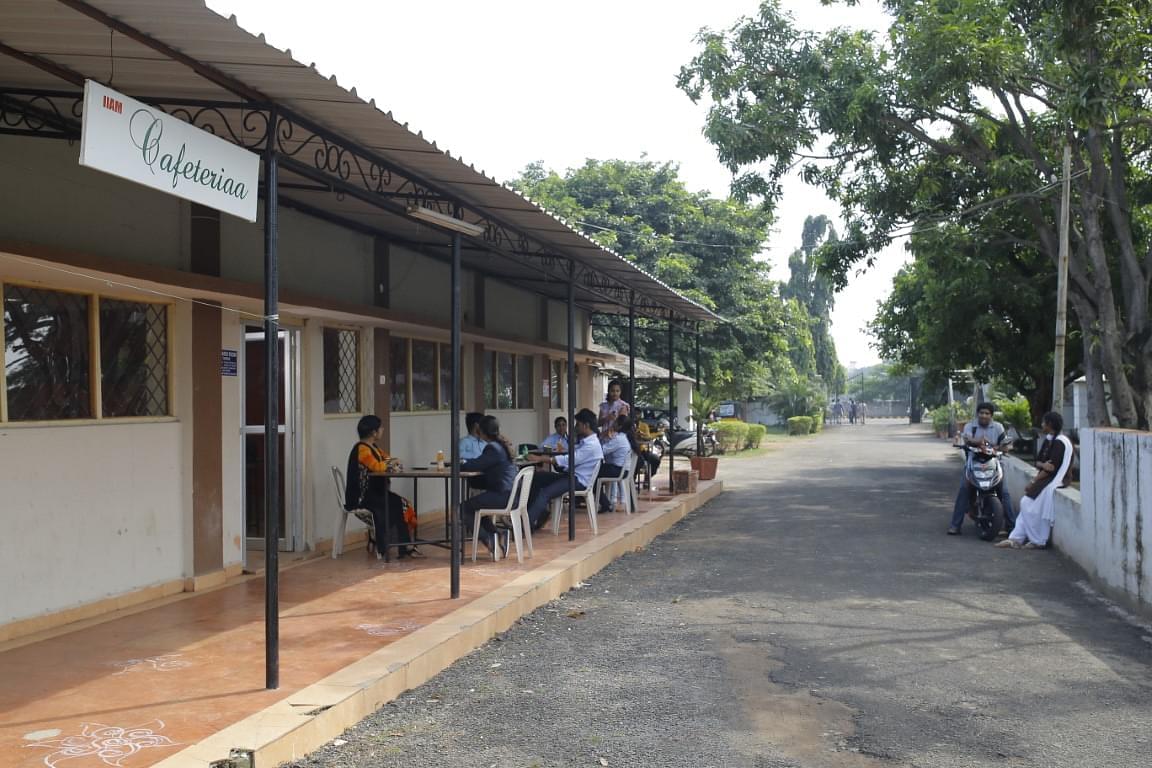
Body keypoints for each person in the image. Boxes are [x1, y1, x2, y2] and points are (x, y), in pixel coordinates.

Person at [996, 412, 1072, 550]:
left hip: (1055, 479)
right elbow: (1039, 462)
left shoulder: (1060, 442)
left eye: (1044, 423)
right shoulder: (1049, 440)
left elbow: (1052, 468)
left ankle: (1038, 540)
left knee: (1027, 504)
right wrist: (1043, 465)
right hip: (1046, 476)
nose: (1042, 425)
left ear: (1049, 424)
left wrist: (1033, 481)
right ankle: (1015, 538)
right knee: (1027, 504)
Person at [344, 415, 417, 558]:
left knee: (402, 503)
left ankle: (403, 545)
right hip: (362, 496)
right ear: (373, 432)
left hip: (375, 493)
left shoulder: (374, 448)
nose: (382, 430)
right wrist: (391, 464)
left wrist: (392, 462)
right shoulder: (362, 449)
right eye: (380, 428)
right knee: (397, 504)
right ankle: (399, 545)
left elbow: (389, 459)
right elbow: (377, 467)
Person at [525, 408, 604, 530]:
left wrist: (541, 459)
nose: (575, 427)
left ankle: (524, 526)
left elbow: (570, 460)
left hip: (578, 481)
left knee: (545, 493)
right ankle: (537, 515)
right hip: (571, 475)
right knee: (537, 478)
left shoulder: (591, 445)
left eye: (578, 424)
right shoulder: (585, 442)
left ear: (586, 425)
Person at [947, 402, 1014, 536]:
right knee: (964, 490)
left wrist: (1001, 447)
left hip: (994, 463)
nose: (984, 416)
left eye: (987, 413)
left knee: (1004, 493)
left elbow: (1007, 445)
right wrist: (978, 442)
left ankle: (1012, 527)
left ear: (991, 416)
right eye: (981, 413)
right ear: (977, 414)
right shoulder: (970, 426)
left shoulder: (998, 427)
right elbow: (967, 439)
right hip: (974, 463)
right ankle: (955, 525)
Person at [459, 415, 519, 557]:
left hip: (502, 496)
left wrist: (460, 463)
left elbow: (476, 464)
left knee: (462, 508)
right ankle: (497, 534)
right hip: (510, 494)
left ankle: (489, 539)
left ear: (482, 432)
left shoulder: (493, 448)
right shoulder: (501, 446)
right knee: (475, 507)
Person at [596, 414, 633, 514]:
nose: (613, 424)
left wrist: (600, 439)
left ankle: (605, 504)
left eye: (615, 422)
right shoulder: (623, 437)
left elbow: (602, 450)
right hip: (622, 469)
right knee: (594, 472)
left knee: (591, 474)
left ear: (620, 426)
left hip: (617, 470)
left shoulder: (618, 439)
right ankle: (605, 502)